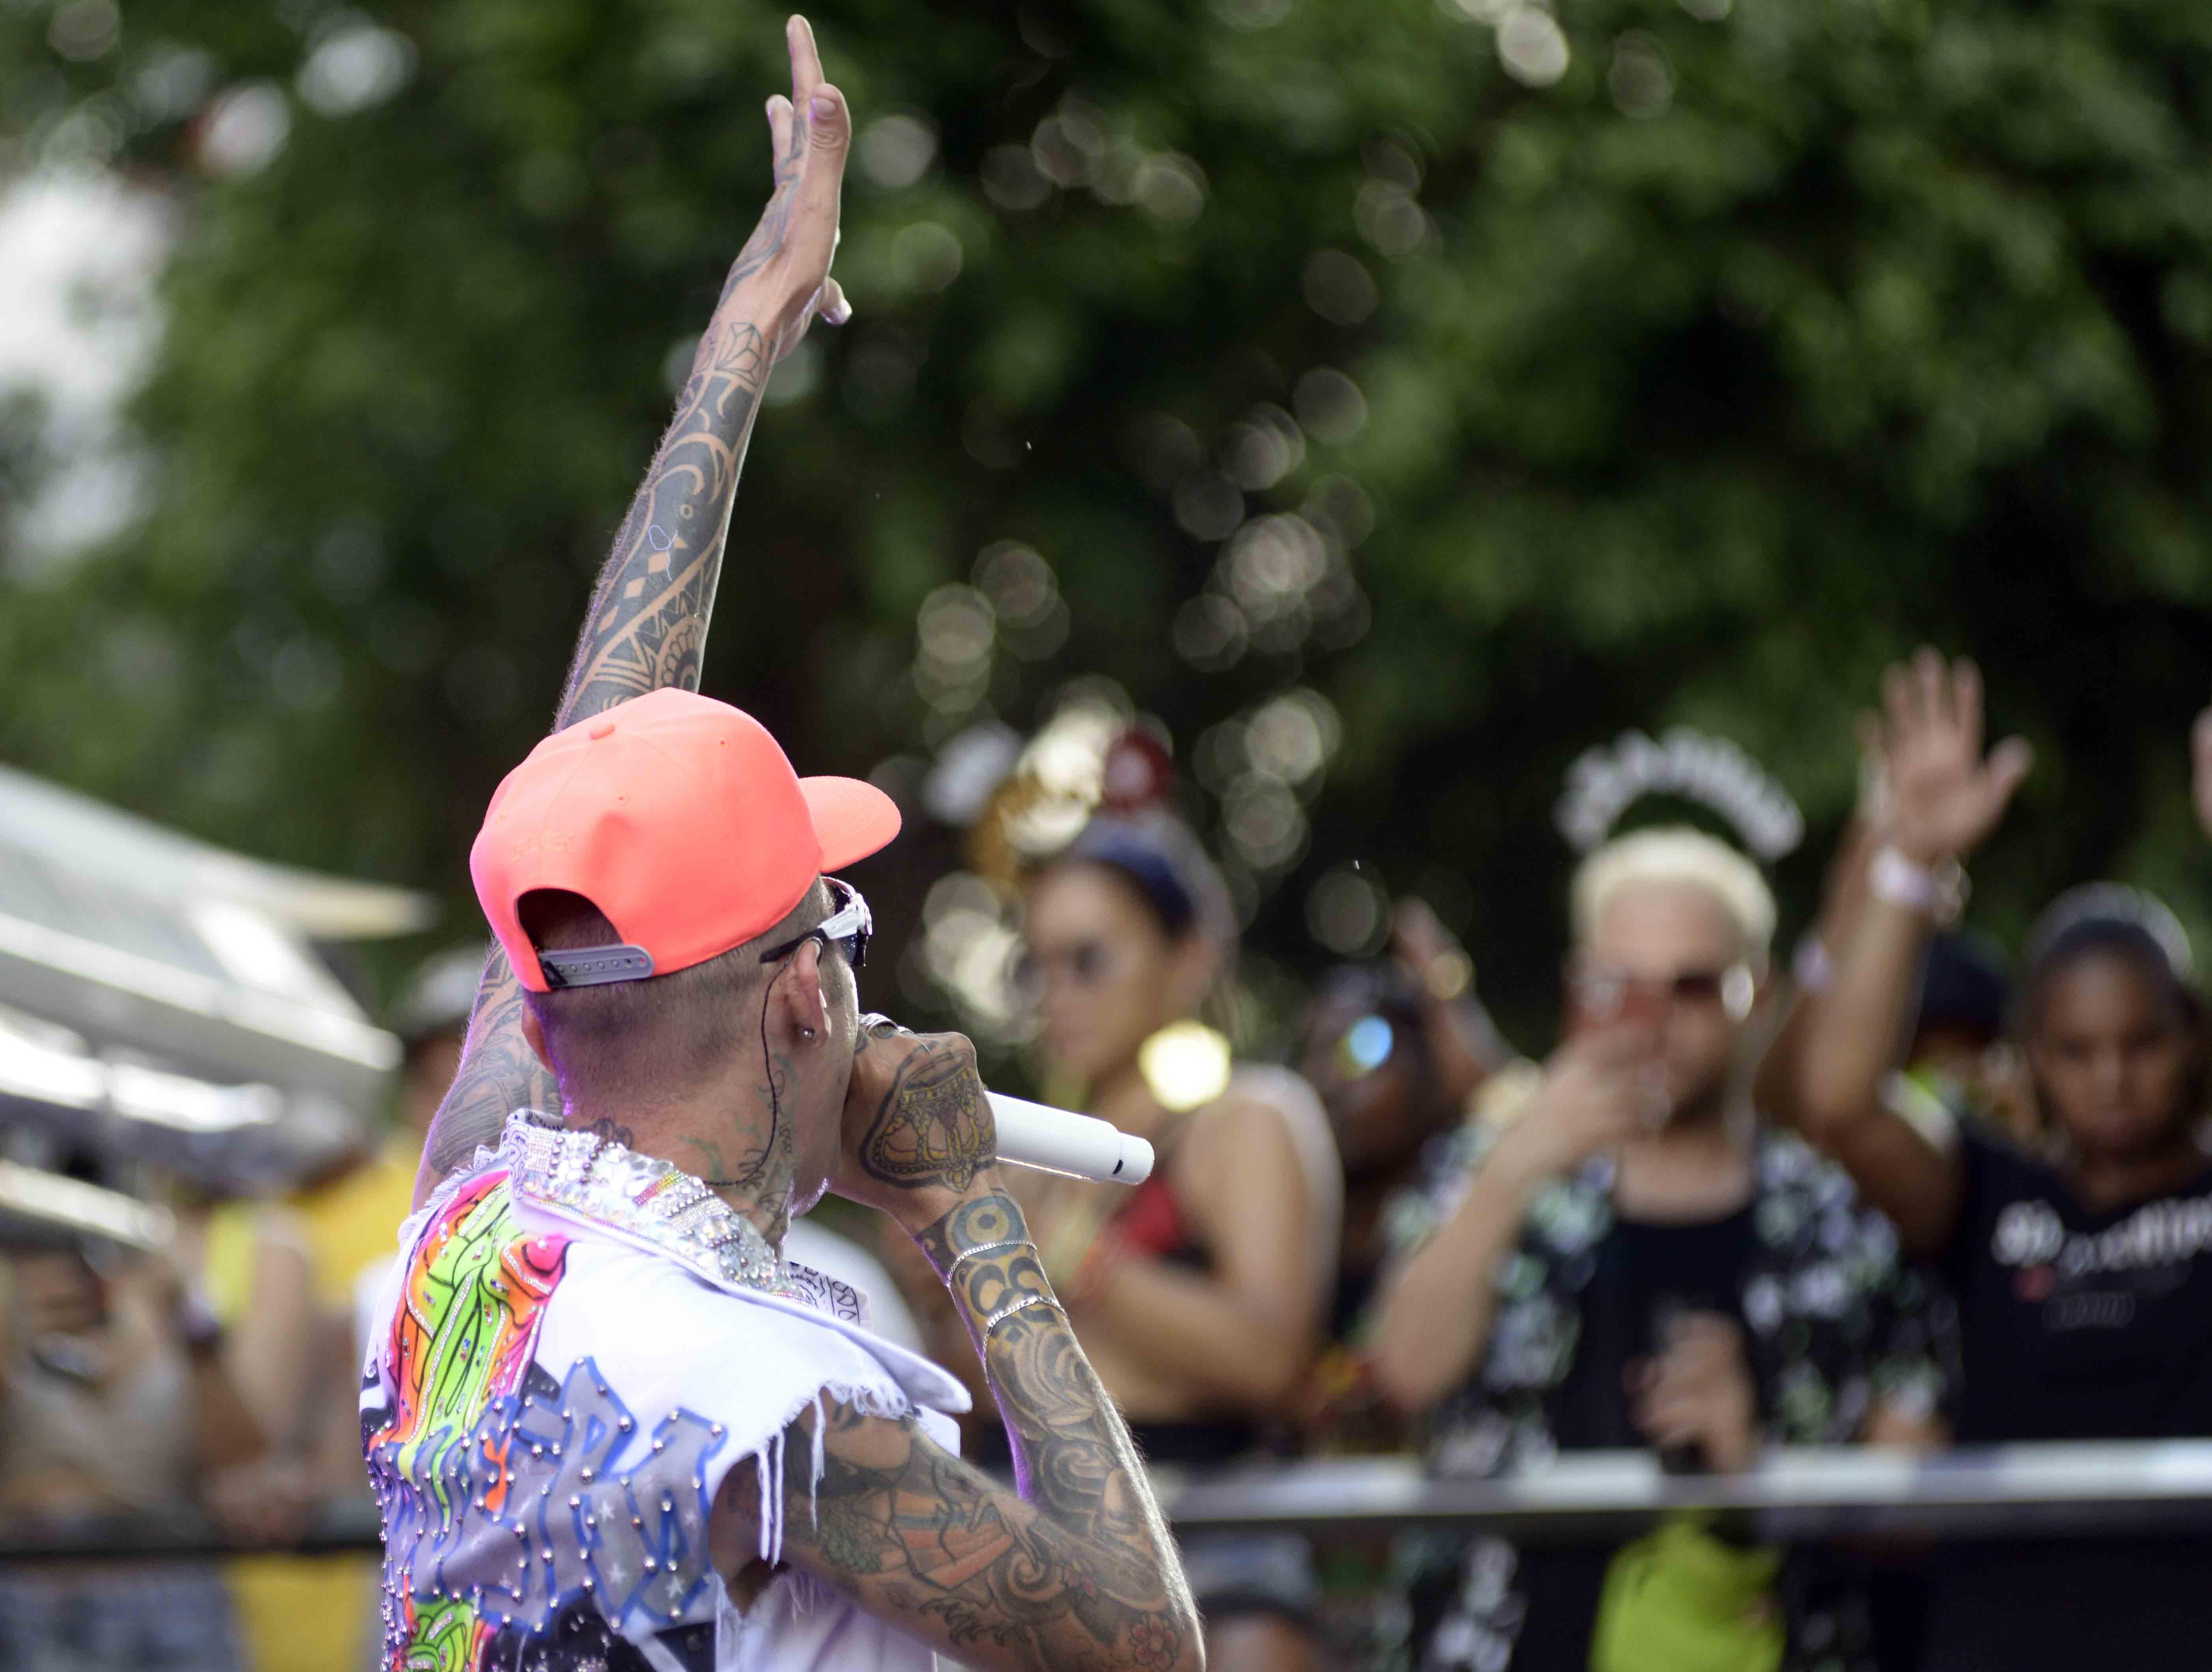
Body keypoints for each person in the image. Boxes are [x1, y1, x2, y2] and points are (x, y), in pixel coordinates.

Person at [372, 22, 1199, 1670]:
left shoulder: (467, 1233)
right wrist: (966, 1212)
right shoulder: (764, 1398)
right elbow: (1138, 1642)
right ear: (800, 1002)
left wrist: (736, 347)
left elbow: (592, 760)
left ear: (539, 1010)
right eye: (837, 928)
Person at [1373, 823, 1941, 1672]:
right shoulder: (1486, 1163)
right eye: (1618, 982)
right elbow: (1403, 1370)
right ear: (1575, 988)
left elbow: (1916, 1492)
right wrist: (1515, 1165)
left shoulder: (1829, 1212)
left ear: (1759, 992)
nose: (1650, 1019)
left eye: (1692, 986)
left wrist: (1755, 1463)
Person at [1792, 649, 2212, 1670]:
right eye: (2076, 1050)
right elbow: (1838, 1101)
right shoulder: (1987, 1192)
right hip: (2004, 1637)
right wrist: (1908, 868)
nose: (2111, 1077)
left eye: (2142, 1044)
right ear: (2031, 1053)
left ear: (2193, 1036)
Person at [1013, 807, 1341, 1672]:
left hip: (1207, 1542)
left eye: (1087, 958)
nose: (1057, 992)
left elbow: (1270, 1357)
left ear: (1188, 954)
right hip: (1028, 1536)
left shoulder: (1247, 1118)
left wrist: (1074, 1262)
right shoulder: (1033, 1150)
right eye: (1033, 966)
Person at [0, 1228, 267, 1672]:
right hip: (26, 1598)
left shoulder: (165, 1290)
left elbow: (245, 1466)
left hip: (173, 1598)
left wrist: (185, 1314)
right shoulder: (12, 1302)